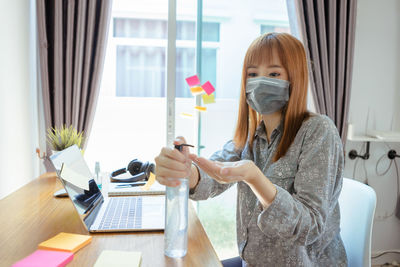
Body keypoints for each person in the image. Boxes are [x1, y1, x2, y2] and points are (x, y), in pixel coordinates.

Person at [154, 32, 347, 266]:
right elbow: (213, 176)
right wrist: (187, 171)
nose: (260, 82)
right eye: (252, 74)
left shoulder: (318, 131)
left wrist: (254, 178)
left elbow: (309, 227)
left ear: (295, 78)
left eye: (274, 73)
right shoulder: (249, 136)